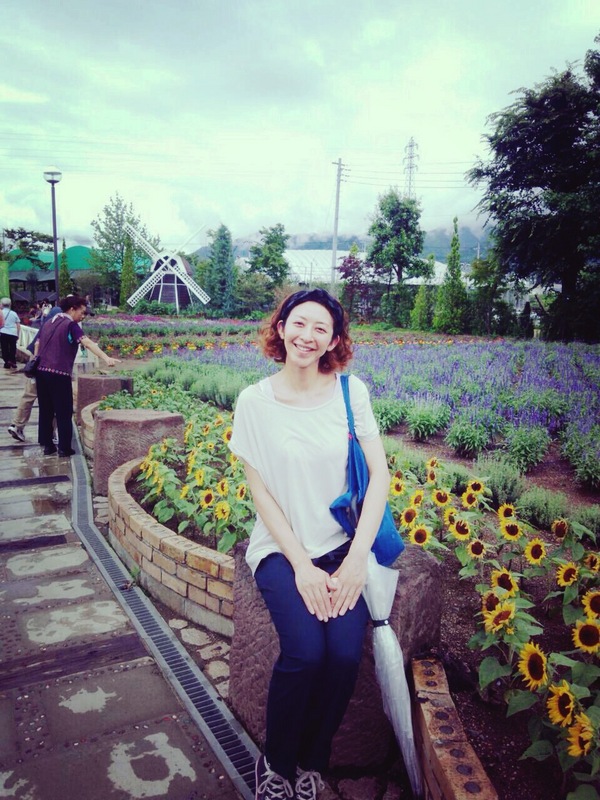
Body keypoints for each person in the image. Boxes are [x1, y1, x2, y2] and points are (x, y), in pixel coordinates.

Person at [229, 289, 390, 800]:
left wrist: (357, 560)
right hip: (281, 549)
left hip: (342, 546)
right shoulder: (254, 402)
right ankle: (276, 763)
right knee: (304, 653)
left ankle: (311, 761)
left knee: (342, 658)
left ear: (335, 340)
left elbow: (380, 475)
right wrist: (300, 565)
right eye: (299, 323)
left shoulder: (350, 392)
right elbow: (261, 493)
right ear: (280, 328)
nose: (307, 335)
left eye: (321, 328)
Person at [35, 294, 120, 456]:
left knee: (46, 410)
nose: (83, 315)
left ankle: (48, 446)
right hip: (59, 373)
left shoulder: (48, 323)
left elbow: (38, 344)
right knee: (64, 411)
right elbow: (86, 342)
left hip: (41, 372)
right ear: (72, 309)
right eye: (82, 312)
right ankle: (64, 448)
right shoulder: (71, 325)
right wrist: (106, 357)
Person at [7, 305, 64, 442]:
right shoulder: (60, 328)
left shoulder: (45, 327)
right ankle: (51, 433)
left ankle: (17, 425)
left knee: (28, 396)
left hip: (35, 366)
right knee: (53, 400)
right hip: (49, 368)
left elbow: (34, 348)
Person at [0, 297, 21, 369]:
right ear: (10, 304)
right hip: (13, 333)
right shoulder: (14, 313)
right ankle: (13, 361)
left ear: (1, 304)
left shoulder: (0, 313)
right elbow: (18, 324)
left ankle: (7, 362)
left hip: (3, 332)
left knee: (4, 348)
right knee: (13, 347)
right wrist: (18, 334)